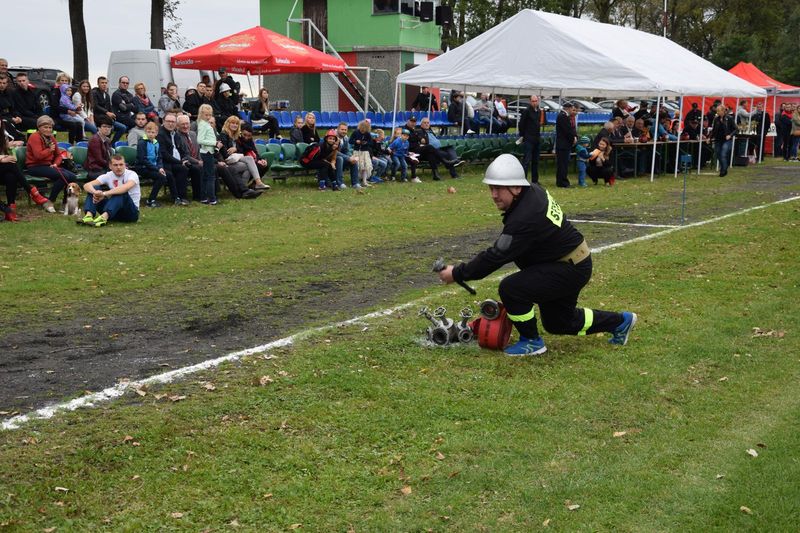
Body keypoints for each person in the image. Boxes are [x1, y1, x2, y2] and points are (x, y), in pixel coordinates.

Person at [436, 154, 637, 356]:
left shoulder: (525, 218)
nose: (493, 194)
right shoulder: (531, 191)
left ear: (515, 188)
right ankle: (620, 321)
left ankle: (531, 341)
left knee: (512, 288)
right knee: (560, 323)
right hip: (571, 262)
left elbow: (496, 256)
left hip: (568, 266)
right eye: (491, 188)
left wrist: (458, 273)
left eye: (498, 188)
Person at [0, 121, 52, 220]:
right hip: (4, 165)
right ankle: (31, 191)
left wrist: (9, 155)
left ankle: (11, 210)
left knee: (11, 176)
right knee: (11, 166)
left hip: (3, 169)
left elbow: (7, 148)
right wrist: (2, 158)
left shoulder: (3, 134)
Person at [25, 115, 78, 204]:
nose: (48, 130)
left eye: (50, 127)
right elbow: (38, 156)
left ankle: (66, 202)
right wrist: (49, 150)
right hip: (35, 166)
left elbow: (58, 155)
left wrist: (56, 164)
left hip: (48, 166)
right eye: (45, 127)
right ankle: (50, 201)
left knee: (72, 176)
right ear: (39, 127)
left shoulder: (51, 138)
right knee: (64, 176)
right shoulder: (35, 137)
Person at [79, 154, 141, 226]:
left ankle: (104, 217)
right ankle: (88, 216)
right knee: (95, 187)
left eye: (121, 164)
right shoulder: (108, 175)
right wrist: (95, 192)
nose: (119, 167)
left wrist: (104, 194)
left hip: (130, 213)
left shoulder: (132, 174)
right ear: (110, 166)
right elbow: (86, 185)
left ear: (125, 165)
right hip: (114, 211)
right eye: (115, 165)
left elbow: (125, 188)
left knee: (121, 192)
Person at [219, 115, 270, 191]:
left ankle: (243, 187)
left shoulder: (234, 135)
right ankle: (249, 186)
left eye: (236, 123)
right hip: (228, 162)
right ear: (228, 123)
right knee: (250, 165)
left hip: (236, 160)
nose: (235, 125)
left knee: (251, 161)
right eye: (232, 123)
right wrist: (236, 150)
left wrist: (260, 159)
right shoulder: (224, 134)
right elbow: (226, 154)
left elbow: (252, 151)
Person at [156, 112, 191, 205]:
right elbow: (164, 154)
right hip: (165, 163)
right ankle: (178, 197)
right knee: (181, 169)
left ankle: (196, 195)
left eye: (173, 122)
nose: (171, 123)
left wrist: (184, 159)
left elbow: (181, 149)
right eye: (168, 121)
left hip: (176, 161)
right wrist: (179, 162)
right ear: (163, 121)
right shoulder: (160, 134)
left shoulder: (175, 134)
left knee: (193, 168)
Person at [136, 121, 172, 207]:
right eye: (148, 132)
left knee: (168, 174)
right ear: (145, 132)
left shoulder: (156, 143)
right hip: (143, 167)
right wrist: (157, 169)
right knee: (161, 177)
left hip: (153, 167)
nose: (150, 134)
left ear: (156, 133)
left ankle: (176, 197)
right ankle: (151, 200)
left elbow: (159, 158)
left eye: (153, 132)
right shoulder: (142, 143)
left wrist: (161, 167)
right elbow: (142, 159)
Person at [518, 95, 546, 182]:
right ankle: (524, 179)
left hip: (536, 138)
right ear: (530, 102)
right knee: (527, 160)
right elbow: (521, 124)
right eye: (533, 101)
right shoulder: (526, 111)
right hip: (529, 138)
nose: (534, 103)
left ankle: (535, 180)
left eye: (536, 101)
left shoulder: (538, 111)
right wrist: (523, 135)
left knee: (536, 161)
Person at [175, 113, 203, 201]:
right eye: (183, 124)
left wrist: (201, 160)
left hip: (197, 160)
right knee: (196, 169)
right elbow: (184, 154)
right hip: (186, 162)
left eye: (187, 123)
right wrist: (197, 162)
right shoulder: (177, 136)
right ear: (178, 125)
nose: (185, 126)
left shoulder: (193, 134)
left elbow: (198, 150)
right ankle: (198, 196)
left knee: (211, 167)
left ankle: (209, 193)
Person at [91, 76, 127, 143]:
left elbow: (110, 107)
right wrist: (107, 112)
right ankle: (104, 143)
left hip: (107, 118)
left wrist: (113, 115)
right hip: (98, 117)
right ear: (98, 84)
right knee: (111, 128)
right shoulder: (94, 93)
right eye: (102, 83)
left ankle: (112, 144)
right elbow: (95, 106)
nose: (104, 84)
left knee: (123, 128)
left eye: (105, 83)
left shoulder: (107, 95)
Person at [196, 104, 220, 204]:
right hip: (207, 152)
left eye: (210, 115)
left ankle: (204, 197)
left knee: (206, 176)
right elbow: (200, 140)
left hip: (208, 151)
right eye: (206, 115)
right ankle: (212, 198)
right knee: (210, 176)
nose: (208, 117)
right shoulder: (202, 125)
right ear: (201, 114)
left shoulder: (204, 124)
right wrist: (214, 143)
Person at [710, 104, 736, 177]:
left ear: (723, 111)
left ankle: (723, 170)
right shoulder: (716, 119)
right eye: (717, 111)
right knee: (718, 154)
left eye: (719, 111)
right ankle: (724, 167)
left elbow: (735, 129)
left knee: (723, 154)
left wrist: (730, 135)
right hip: (718, 139)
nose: (717, 112)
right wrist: (710, 138)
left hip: (726, 140)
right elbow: (714, 130)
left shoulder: (729, 118)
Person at [555, 102, 576, 188]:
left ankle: (560, 181)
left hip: (563, 144)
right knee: (563, 164)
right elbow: (567, 130)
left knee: (562, 164)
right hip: (563, 144)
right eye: (572, 109)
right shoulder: (563, 116)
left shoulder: (562, 116)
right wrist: (573, 138)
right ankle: (563, 182)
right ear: (568, 108)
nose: (573, 110)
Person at [350, 119, 374, 187]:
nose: (363, 131)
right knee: (357, 166)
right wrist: (356, 141)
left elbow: (371, 143)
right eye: (361, 130)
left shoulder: (368, 134)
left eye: (364, 130)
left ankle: (364, 181)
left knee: (365, 166)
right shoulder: (355, 132)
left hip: (365, 152)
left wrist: (366, 143)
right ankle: (356, 180)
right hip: (357, 152)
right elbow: (350, 141)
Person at [334, 122, 359, 189]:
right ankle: (340, 183)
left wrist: (351, 157)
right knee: (340, 158)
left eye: (345, 130)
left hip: (341, 158)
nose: (344, 131)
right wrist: (348, 158)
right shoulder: (333, 137)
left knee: (353, 160)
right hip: (331, 159)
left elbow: (346, 150)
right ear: (338, 129)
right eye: (342, 129)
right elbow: (334, 151)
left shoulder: (345, 138)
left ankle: (355, 183)